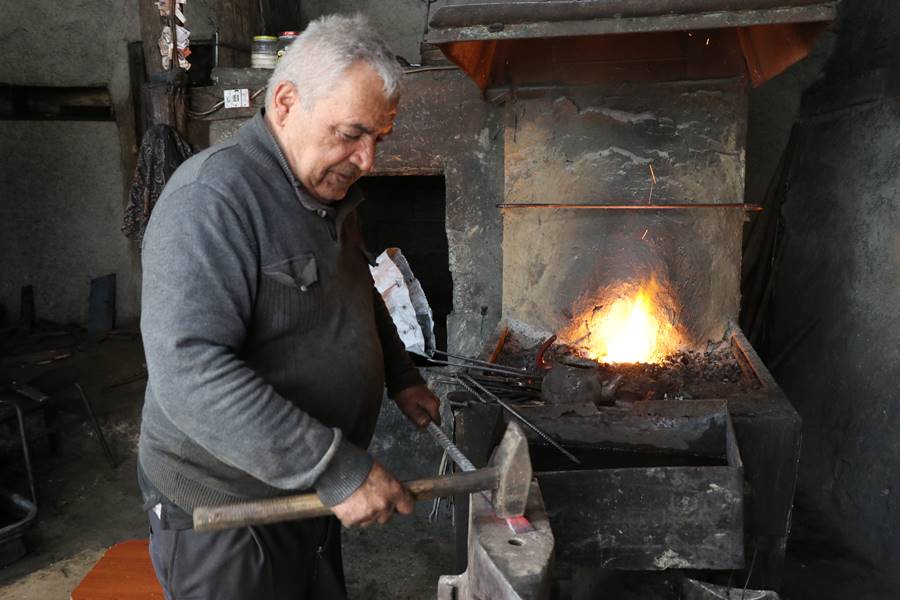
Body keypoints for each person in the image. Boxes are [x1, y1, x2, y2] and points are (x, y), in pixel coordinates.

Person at [136, 14, 441, 599]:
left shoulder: (325, 192)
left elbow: (356, 293)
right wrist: (338, 470)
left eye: (380, 138)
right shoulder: (212, 201)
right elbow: (190, 373)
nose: (367, 159)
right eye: (351, 133)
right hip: (229, 515)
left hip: (303, 491)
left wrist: (400, 375)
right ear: (284, 102)